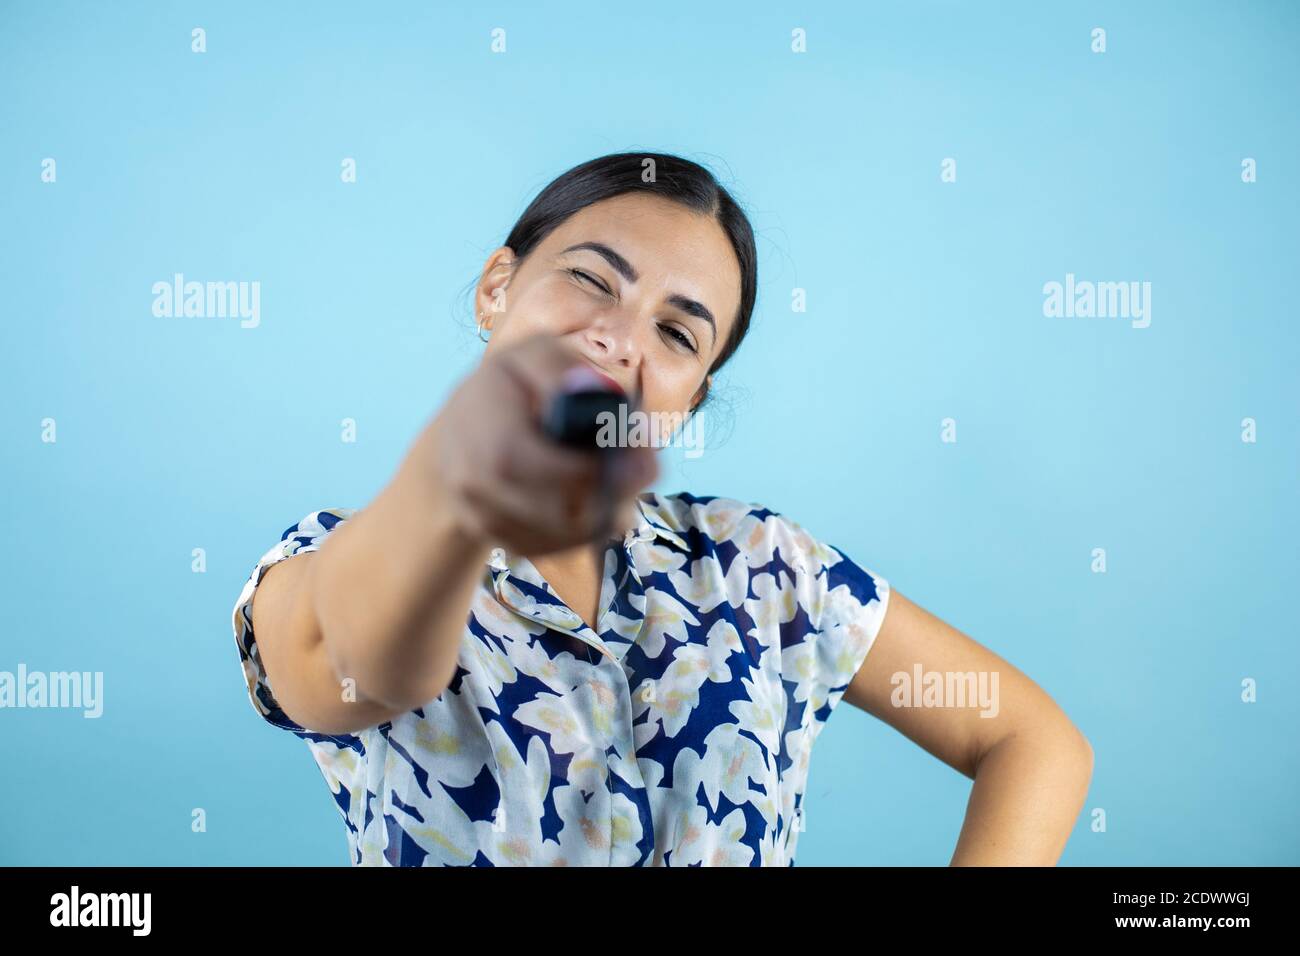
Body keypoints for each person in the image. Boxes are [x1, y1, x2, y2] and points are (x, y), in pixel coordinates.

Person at [230, 151, 1093, 866]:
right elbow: (360, 664)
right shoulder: (345, 557)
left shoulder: (763, 565)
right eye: (590, 281)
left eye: (678, 333)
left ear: (690, 396)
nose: (620, 339)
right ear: (498, 287)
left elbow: (1032, 741)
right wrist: (463, 482)